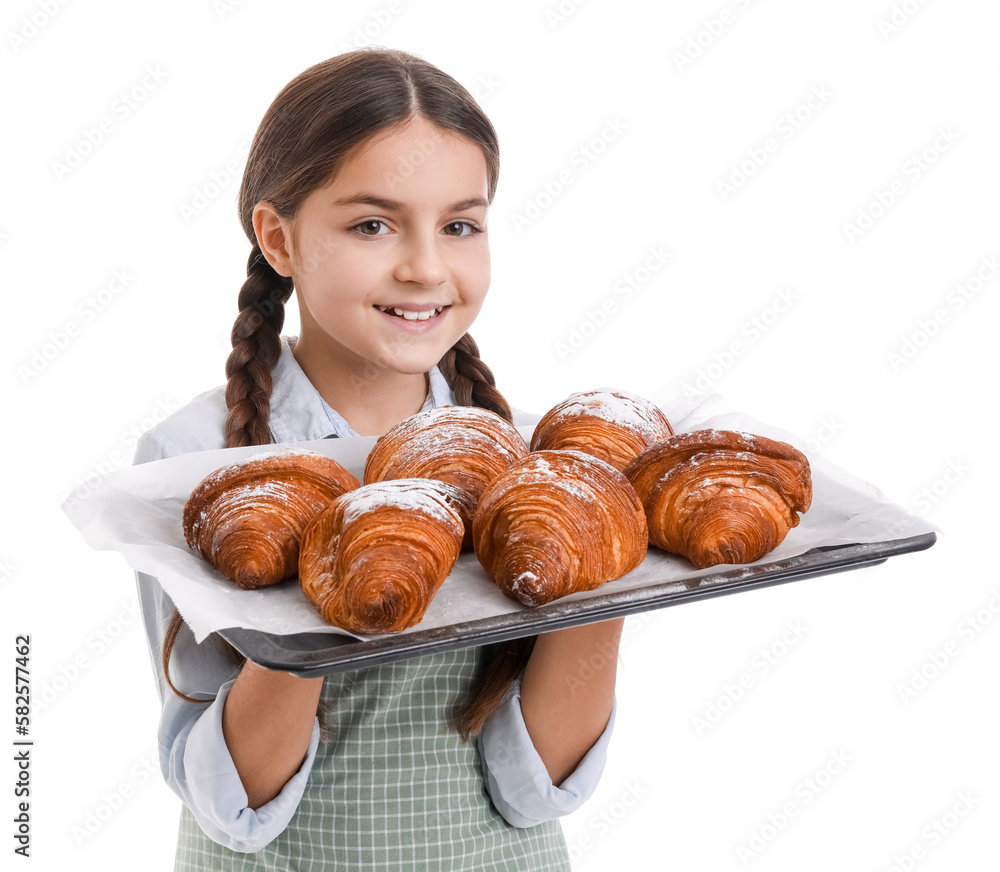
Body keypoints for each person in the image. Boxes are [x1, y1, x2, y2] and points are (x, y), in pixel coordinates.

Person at [134, 47, 624, 870]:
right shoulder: (196, 462)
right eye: (372, 224)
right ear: (278, 239)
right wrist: (311, 585)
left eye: (460, 225)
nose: (426, 267)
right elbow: (234, 807)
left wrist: (613, 575)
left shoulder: (532, 464)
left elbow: (534, 789)